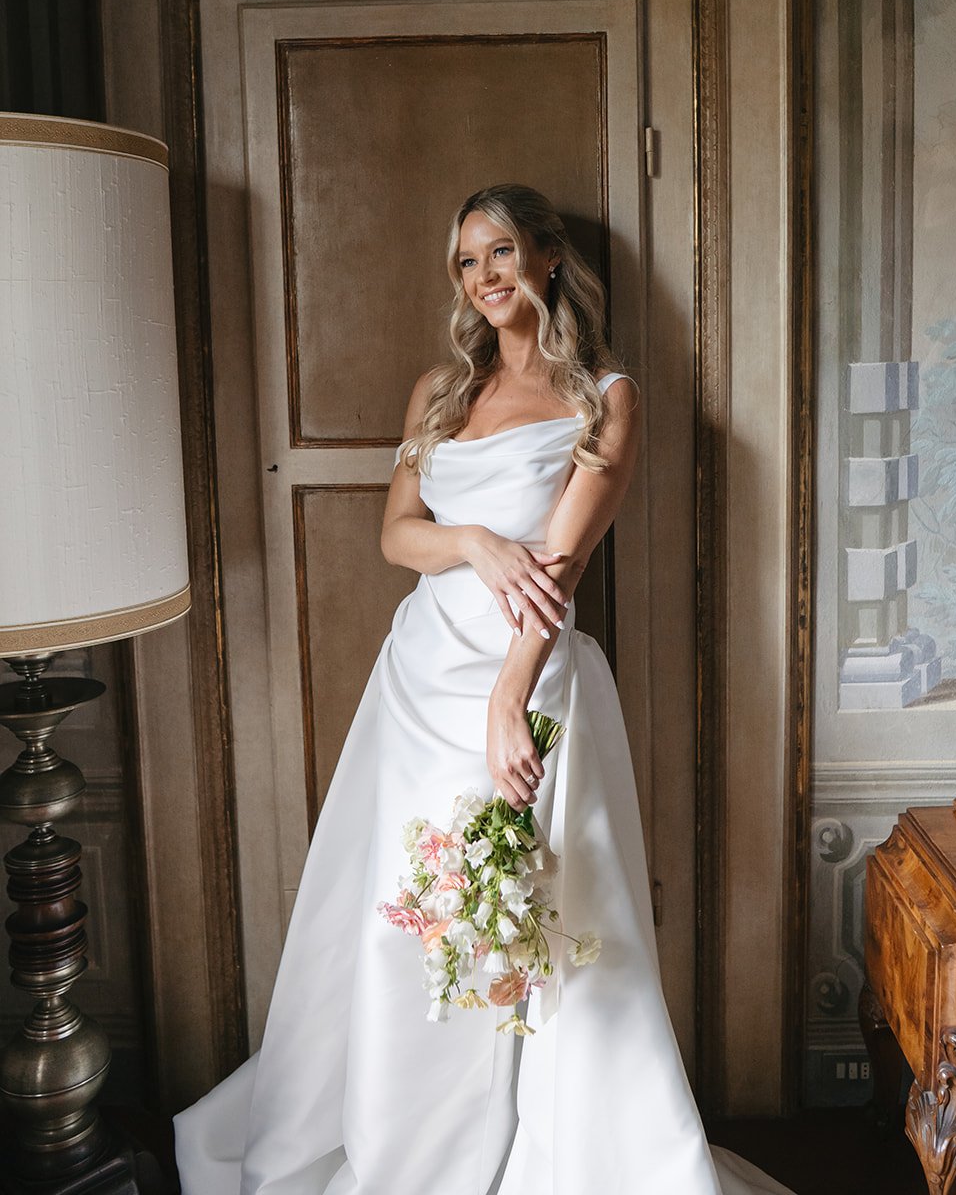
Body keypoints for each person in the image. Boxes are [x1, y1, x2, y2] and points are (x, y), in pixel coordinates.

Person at [175, 184, 793, 1195]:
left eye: (500, 251)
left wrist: (510, 700)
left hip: (527, 682)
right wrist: (469, 540)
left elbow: (559, 564)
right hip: (415, 682)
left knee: (527, 927)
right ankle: (405, 1150)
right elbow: (395, 535)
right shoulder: (439, 391)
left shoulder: (606, 393)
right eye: (466, 262)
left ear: (546, 257)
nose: (484, 276)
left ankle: (541, 1150)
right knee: (404, 922)